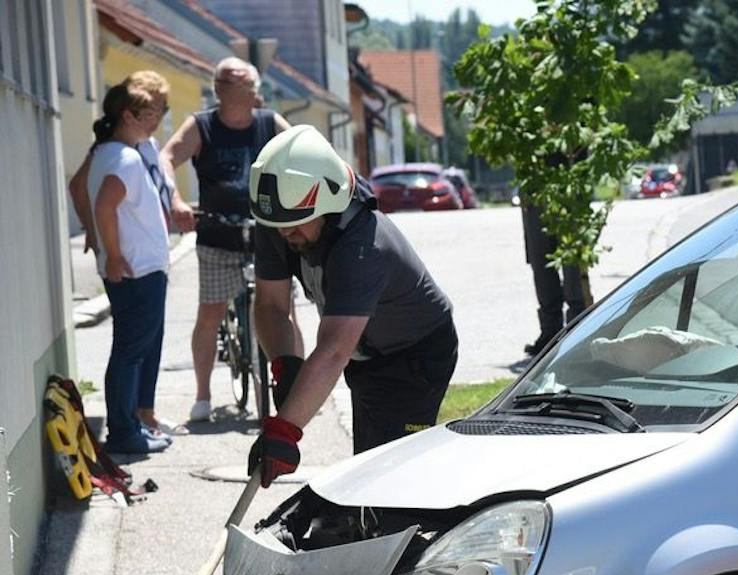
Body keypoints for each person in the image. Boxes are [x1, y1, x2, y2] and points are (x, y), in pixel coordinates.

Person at [246, 125, 458, 486]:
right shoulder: (283, 216)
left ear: (327, 204)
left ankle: (417, 531)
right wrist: (285, 362)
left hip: (416, 356)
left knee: (397, 470)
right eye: (278, 226)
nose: (285, 235)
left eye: (296, 226)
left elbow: (332, 350)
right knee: (369, 465)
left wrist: (285, 430)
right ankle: (376, 531)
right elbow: (269, 305)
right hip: (367, 354)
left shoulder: (362, 247)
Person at [160, 58, 292, 425]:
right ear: (218, 89)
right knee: (210, 313)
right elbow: (168, 156)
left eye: (246, 85)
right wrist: (175, 201)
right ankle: (202, 394)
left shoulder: (269, 123)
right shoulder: (202, 125)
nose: (241, 91)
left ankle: (293, 387)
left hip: (267, 233)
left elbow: (299, 150)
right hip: (218, 234)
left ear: (254, 91)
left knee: (283, 311)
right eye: (231, 84)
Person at [66, 72, 175, 458]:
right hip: (137, 271)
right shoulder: (126, 157)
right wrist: (111, 252)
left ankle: (130, 426)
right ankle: (127, 432)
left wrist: (101, 242)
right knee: (131, 351)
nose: (156, 121)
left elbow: (94, 200)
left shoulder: (108, 153)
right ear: (128, 116)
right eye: (150, 114)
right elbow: (104, 205)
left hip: (136, 269)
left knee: (130, 350)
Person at [520, 193, 591, 358]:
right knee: (540, 260)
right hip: (533, 186)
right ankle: (550, 332)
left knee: (573, 263)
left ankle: (578, 329)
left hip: (568, 187)